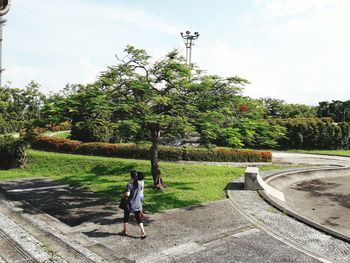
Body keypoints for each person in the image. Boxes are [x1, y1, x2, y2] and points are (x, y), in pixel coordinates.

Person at [119, 170, 147, 239]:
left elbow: (127, 194)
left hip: (129, 203)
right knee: (138, 218)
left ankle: (125, 231)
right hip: (137, 203)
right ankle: (143, 232)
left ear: (131, 176)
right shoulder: (140, 184)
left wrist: (124, 194)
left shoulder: (129, 184)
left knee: (126, 217)